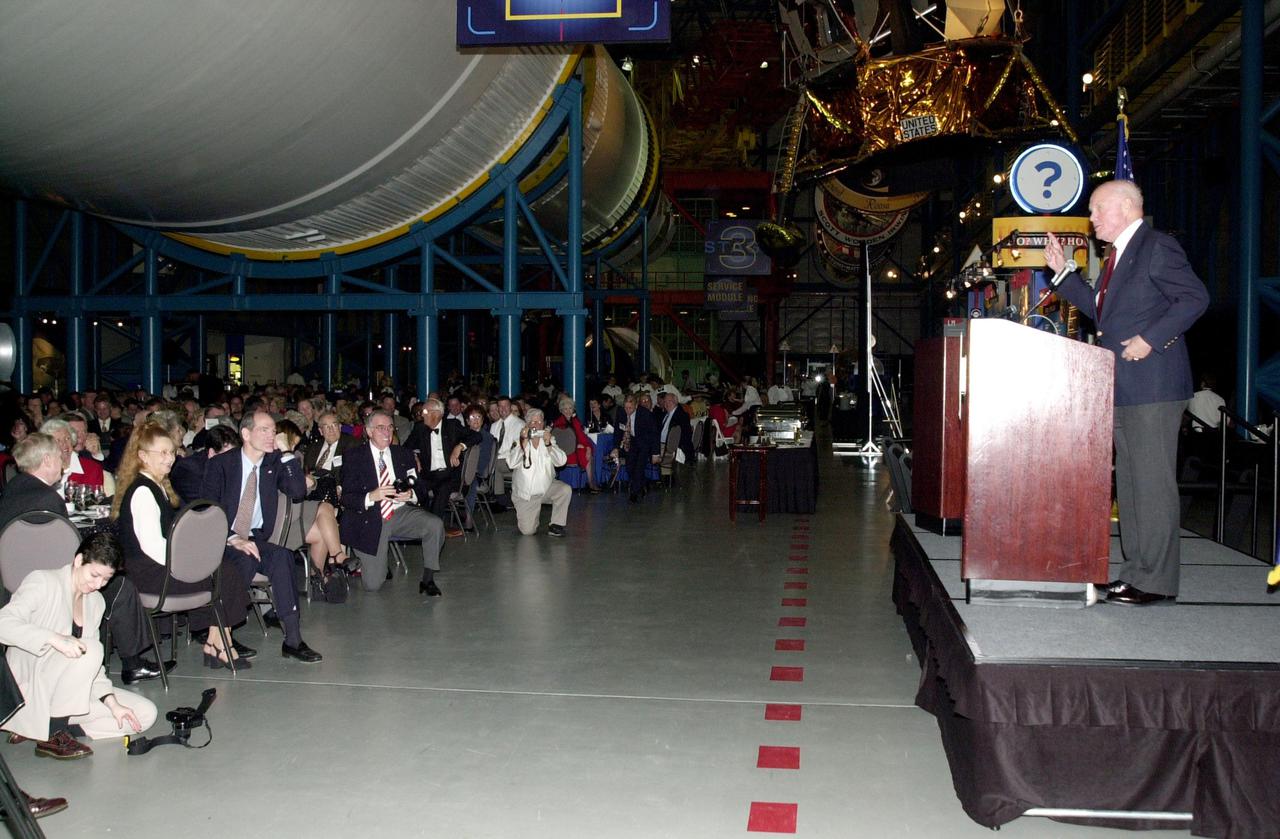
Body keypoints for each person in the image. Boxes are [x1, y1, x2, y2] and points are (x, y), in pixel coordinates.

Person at [1045, 179, 1209, 606]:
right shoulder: (1116, 259)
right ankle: (1136, 573)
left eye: (1098, 209)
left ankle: (1155, 580)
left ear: (1126, 206)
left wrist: (1150, 339)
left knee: (1152, 485)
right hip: (1123, 385)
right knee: (1134, 486)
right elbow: (1103, 314)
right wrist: (1064, 273)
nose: (1092, 217)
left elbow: (1194, 298)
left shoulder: (1155, 247)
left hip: (1153, 383)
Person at [0, 531, 157, 760]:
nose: (98, 584)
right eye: (94, 575)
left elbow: (92, 668)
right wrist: (53, 639)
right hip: (31, 688)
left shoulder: (96, 602)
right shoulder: (43, 581)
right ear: (78, 560)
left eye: (106, 579)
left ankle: (44, 727)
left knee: (144, 714)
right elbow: (3, 624)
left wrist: (112, 704)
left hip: (63, 695)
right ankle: (52, 733)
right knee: (91, 650)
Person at [114, 421, 257, 669]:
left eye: (171, 452)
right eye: (162, 453)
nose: (169, 459)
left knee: (226, 571)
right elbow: (153, 547)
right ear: (142, 456)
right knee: (226, 573)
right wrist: (188, 565)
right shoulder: (143, 492)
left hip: (160, 566)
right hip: (149, 573)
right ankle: (220, 643)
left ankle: (217, 641)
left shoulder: (156, 486)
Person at [203, 411, 322, 662]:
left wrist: (287, 452)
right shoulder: (221, 464)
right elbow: (208, 508)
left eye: (273, 430)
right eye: (264, 430)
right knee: (244, 560)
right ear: (246, 434)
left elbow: (298, 492)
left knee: (282, 557)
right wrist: (233, 537)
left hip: (255, 537)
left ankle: (293, 639)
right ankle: (223, 633)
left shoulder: (274, 463)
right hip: (222, 538)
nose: (272, 436)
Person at [339, 409, 446, 595]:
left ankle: (428, 579)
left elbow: (420, 486)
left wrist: (411, 494)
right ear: (369, 431)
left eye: (390, 427)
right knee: (372, 585)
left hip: (399, 512)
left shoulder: (403, 454)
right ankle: (369, 560)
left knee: (434, 524)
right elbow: (346, 497)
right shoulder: (354, 457)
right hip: (369, 517)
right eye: (381, 428)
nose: (387, 432)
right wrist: (371, 496)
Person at [276, 420, 351, 578]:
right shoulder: (275, 460)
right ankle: (335, 557)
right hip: (280, 518)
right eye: (292, 444)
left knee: (324, 521)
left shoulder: (291, 457)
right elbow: (292, 489)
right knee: (325, 510)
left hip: (294, 511)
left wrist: (311, 481)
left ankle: (317, 576)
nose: (294, 448)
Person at [403, 398, 477, 532]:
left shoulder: (452, 426)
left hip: (449, 475)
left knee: (442, 489)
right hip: (428, 474)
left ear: (436, 414)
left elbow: (476, 436)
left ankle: (432, 529)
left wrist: (459, 447)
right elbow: (405, 448)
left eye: (425, 411)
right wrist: (414, 456)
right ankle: (417, 525)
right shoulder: (420, 428)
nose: (422, 414)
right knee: (413, 488)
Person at [505, 409, 570, 536]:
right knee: (528, 531)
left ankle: (556, 525)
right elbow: (511, 463)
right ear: (527, 424)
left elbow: (561, 461)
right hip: (527, 494)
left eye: (540, 422)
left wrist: (548, 444)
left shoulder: (549, 439)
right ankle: (531, 514)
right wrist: (523, 443)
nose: (537, 425)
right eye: (534, 421)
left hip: (546, 488)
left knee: (565, 490)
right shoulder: (519, 440)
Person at [552, 395, 600, 492]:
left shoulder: (575, 421)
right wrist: (576, 445)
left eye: (570, 408)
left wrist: (587, 447)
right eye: (565, 409)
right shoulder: (559, 423)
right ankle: (591, 483)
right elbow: (561, 441)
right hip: (566, 452)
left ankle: (590, 482)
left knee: (590, 449)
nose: (568, 411)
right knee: (586, 455)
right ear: (561, 410)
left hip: (575, 449)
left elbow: (582, 436)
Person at [620, 394, 659, 503]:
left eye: (630, 408)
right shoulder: (621, 413)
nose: (627, 410)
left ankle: (634, 493)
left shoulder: (646, 414)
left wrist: (655, 453)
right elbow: (618, 431)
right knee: (629, 467)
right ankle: (642, 484)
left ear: (636, 406)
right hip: (631, 443)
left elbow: (654, 434)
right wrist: (616, 447)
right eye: (626, 408)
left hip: (644, 444)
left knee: (639, 468)